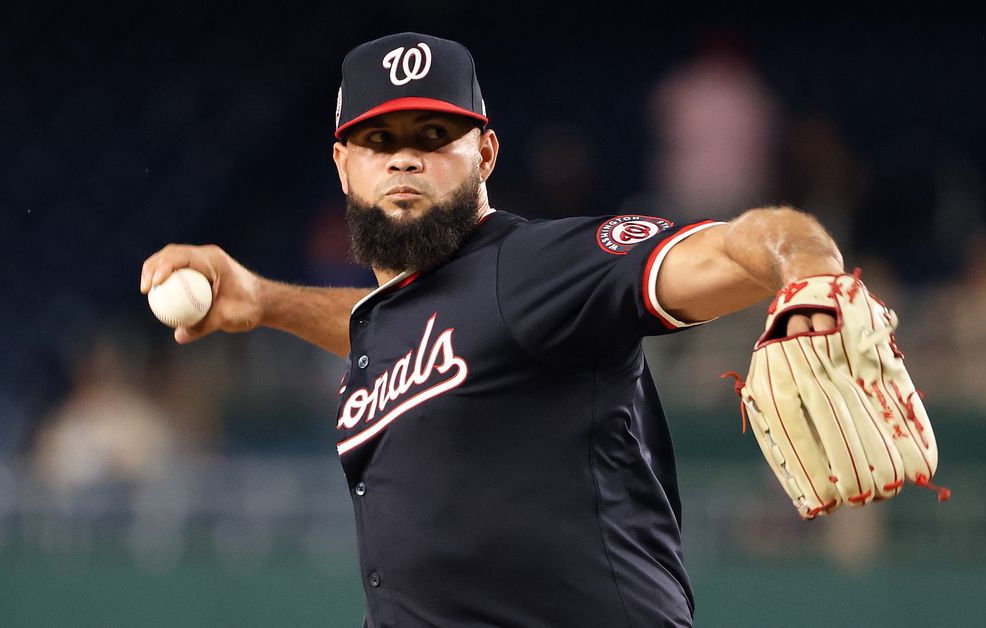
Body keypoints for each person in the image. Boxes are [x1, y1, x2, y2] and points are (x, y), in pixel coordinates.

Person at [140, 32, 844, 628]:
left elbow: (740, 244)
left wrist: (808, 274)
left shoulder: (539, 268)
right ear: (342, 166)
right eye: (378, 139)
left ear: (486, 155)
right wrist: (264, 300)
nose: (405, 157)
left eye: (435, 136)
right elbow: (405, 333)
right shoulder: (401, 323)